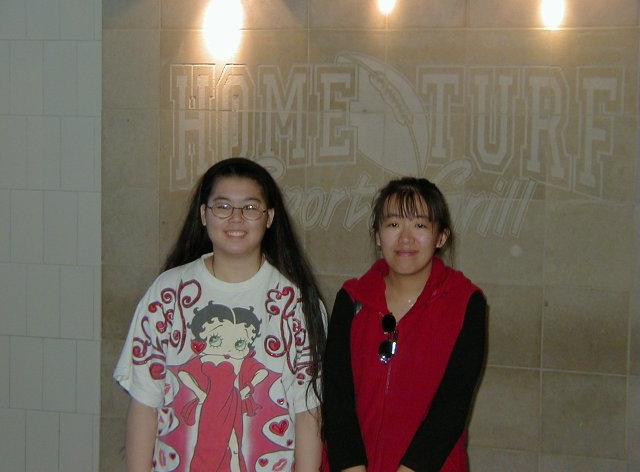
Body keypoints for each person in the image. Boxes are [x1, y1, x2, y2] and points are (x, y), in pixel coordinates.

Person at [114, 157, 326, 472]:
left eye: (250, 207)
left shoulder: (295, 303)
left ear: (269, 217)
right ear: (204, 214)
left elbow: (308, 413)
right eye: (222, 206)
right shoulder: (167, 294)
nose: (236, 218)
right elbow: (145, 404)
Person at [323, 177, 487, 472]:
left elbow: (452, 405)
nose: (405, 238)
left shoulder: (466, 303)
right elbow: (336, 398)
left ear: (441, 237)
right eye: (394, 224)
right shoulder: (351, 299)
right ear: (378, 235)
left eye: (420, 225)